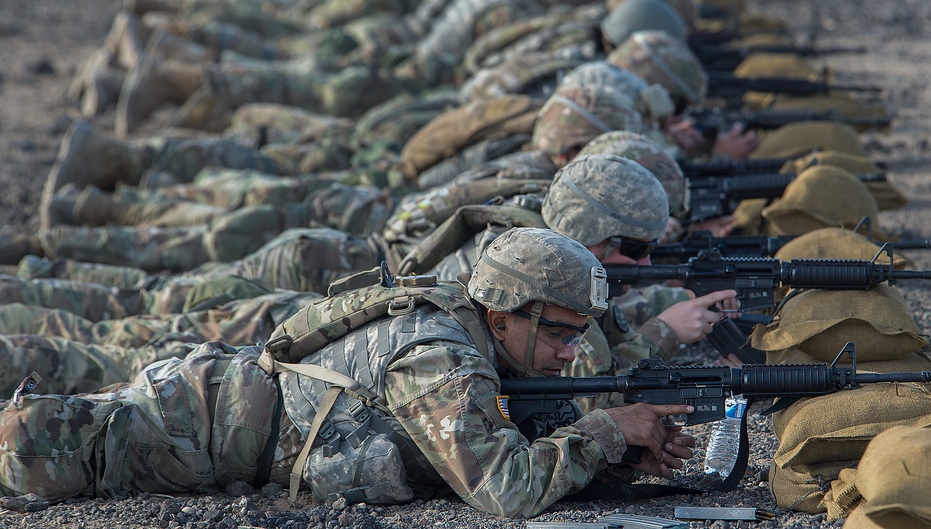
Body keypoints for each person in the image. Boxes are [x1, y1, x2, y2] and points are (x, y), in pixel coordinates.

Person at [0, 227, 696, 518]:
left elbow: (496, 448)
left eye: (581, 336)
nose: (572, 352)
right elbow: (504, 486)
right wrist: (604, 429)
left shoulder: (475, 341)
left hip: (206, 419)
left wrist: (620, 456)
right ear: (501, 313)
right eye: (559, 332)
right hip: (178, 426)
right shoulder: (439, 354)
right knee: (19, 449)